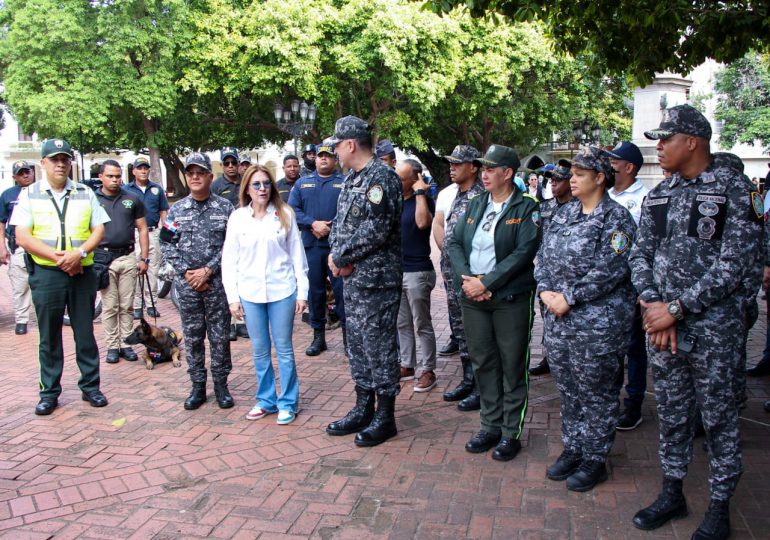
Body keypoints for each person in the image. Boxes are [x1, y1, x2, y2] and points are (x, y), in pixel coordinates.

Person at [629, 105, 764, 540]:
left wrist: (678, 308)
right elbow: (639, 254)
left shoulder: (734, 190)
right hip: (663, 326)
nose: (659, 147)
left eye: (666, 139)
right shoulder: (660, 193)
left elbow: (734, 265)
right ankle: (673, 492)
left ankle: (720, 506)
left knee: (720, 417)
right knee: (671, 411)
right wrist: (654, 305)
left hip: (714, 330)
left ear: (693, 141)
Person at [536, 145, 637, 492]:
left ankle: (595, 457)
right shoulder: (563, 214)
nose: (571, 179)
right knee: (569, 390)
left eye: (579, 174)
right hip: (560, 322)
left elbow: (612, 267)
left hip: (598, 324)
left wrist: (569, 297)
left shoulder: (617, 218)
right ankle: (574, 448)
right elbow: (543, 256)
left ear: (599, 177)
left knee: (597, 392)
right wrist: (547, 290)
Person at [447, 144, 541, 462]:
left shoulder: (526, 207)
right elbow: (455, 242)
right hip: (473, 297)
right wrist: (470, 281)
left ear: (508, 173)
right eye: (482, 169)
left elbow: (522, 253)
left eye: (489, 169)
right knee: (483, 362)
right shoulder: (476, 204)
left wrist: (486, 282)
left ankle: (510, 431)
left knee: (512, 365)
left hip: (509, 299)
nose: (483, 174)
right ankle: (489, 424)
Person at [12, 139, 111, 415]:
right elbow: (22, 236)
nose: (60, 164)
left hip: (81, 272)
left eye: (65, 159)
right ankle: (49, 392)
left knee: (85, 333)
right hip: (46, 274)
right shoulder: (29, 194)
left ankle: (91, 387)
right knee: (49, 336)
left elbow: (98, 230)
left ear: (71, 163)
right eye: (54, 159)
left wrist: (77, 254)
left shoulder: (84, 192)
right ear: (43, 163)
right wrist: (60, 258)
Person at [325, 116, 403, 447]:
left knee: (379, 346)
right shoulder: (353, 179)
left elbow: (377, 228)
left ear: (351, 145)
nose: (335, 152)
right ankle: (363, 407)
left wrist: (341, 257)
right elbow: (341, 224)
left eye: (337, 145)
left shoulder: (381, 178)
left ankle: (385, 416)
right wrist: (335, 255)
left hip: (376, 282)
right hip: (354, 281)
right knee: (356, 344)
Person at [223, 165, 308, 425]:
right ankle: (266, 399)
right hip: (250, 292)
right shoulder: (238, 218)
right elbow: (229, 259)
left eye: (266, 184)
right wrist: (232, 297)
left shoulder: (284, 214)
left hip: (282, 289)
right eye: (256, 184)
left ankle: (288, 402)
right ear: (247, 189)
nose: (262, 188)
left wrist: (302, 292)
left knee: (284, 349)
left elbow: (297, 255)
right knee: (260, 351)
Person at [160, 152, 235, 410]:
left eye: (200, 172)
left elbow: (232, 246)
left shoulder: (226, 209)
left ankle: (222, 386)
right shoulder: (177, 209)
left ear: (209, 177)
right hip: (187, 287)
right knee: (192, 337)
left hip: (216, 286)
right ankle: (197, 387)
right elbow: (166, 245)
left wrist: (208, 270)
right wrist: (187, 273)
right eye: (190, 173)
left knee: (219, 336)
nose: (194, 177)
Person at [435, 145, 485, 411]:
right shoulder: (456, 194)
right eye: (450, 163)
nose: (452, 167)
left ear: (474, 167)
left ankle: (480, 385)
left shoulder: (481, 197)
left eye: (458, 163)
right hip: (453, 273)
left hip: (471, 276)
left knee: (475, 331)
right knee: (460, 328)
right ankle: (468, 378)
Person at [605, 141, 650, 431]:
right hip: (605, 287)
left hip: (630, 285)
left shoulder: (646, 196)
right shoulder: (604, 194)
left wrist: (642, 289)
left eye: (614, 160)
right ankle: (608, 400)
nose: (610, 164)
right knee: (609, 347)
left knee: (634, 347)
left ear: (629, 167)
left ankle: (633, 403)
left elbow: (648, 247)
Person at [288, 142, 346, 356]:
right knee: (315, 293)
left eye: (328, 156)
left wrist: (330, 228)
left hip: (337, 247)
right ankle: (318, 337)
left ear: (335, 160)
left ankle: (348, 339)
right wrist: (313, 223)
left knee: (341, 291)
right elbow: (292, 209)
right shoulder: (303, 183)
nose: (323, 159)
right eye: (320, 155)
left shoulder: (344, 182)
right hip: (311, 246)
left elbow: (349, 211)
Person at [93, 160, 149, 364]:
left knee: (127, 305)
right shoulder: (92, 199)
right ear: (101, 176)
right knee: (110, 306)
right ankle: (112, 345)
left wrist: (144, 257)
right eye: (110, 176)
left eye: (118, 176)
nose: (115, 180)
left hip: (127, 257)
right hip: (104, 259)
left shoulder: (131, 198)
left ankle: (126, 343)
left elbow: (142, 228)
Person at [395, 159, 438, 392]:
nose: (395, 181)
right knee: (402, 323)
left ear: (415, 179)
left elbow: (422, 224)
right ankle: (407, 364)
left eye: (400, 178)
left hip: (418, 270)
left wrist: (421, 192)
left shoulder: (424, 201)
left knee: (422, 323)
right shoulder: (395, 201)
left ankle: (428, 369)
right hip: (397, 271)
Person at [529, 159, 573, 377]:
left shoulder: (579, 208)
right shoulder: (544, 208)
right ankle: (549, 356)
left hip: (569, 282)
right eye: (551, 180)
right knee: (547, 317)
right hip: (547, 278)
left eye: (558, 180)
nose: (553, 184)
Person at [124, 156, 169, 320]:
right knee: (135, 269)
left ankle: (151, 304)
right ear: (134, 171)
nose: (143, 171)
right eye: (140, 168)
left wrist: (166, 230)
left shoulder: (156, 189)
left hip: (153, 232)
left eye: (145, 168)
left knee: (153, 269)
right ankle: (137, 306)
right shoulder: (126, 189)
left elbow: (164, 211)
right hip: (134, 234)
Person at [0, 160, 35, 334]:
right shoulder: (7, 195)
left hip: (40, 244)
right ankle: (21, 320)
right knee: (19, 284)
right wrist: (2, 247)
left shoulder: (42, 192)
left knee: (43, 283)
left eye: (27, 171)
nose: (26, 175)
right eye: (21, 173)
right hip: (18, 245)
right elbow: (1, 221)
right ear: (15, 177)